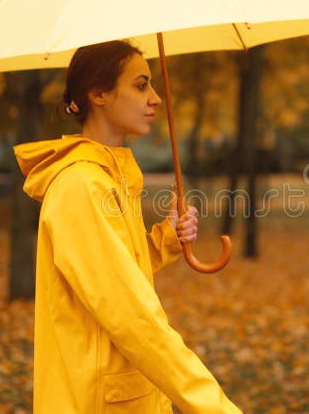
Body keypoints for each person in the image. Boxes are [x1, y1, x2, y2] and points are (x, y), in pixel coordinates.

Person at [14, 40, 241, 414]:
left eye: (151, 85)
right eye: (140, 85)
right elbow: (131, 314)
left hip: (127, 394)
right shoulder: (81, 187)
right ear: (99, 93)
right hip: (97, 401)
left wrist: (166, 238)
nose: (155, 98)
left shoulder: (109, 178)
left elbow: (111, 274)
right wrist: (215, 407)